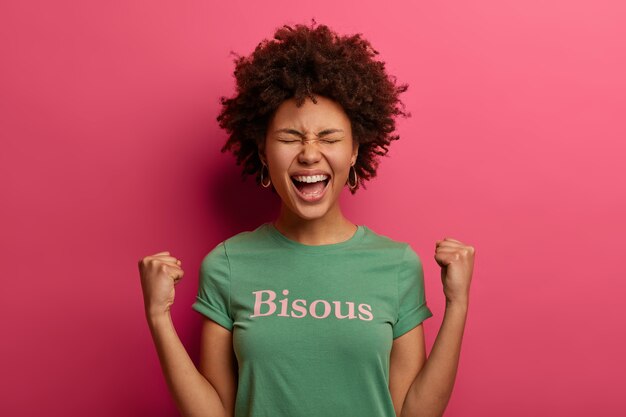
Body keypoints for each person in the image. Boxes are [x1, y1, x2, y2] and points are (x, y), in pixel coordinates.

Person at [138, 19, 475, 417]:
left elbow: (414, 412)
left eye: (329, 138)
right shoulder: (227, 265)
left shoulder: (398, 265)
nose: (310, 154)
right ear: (263, 152)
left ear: (354, 151)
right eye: (289, 138)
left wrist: (457, 303)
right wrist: (158, 317)